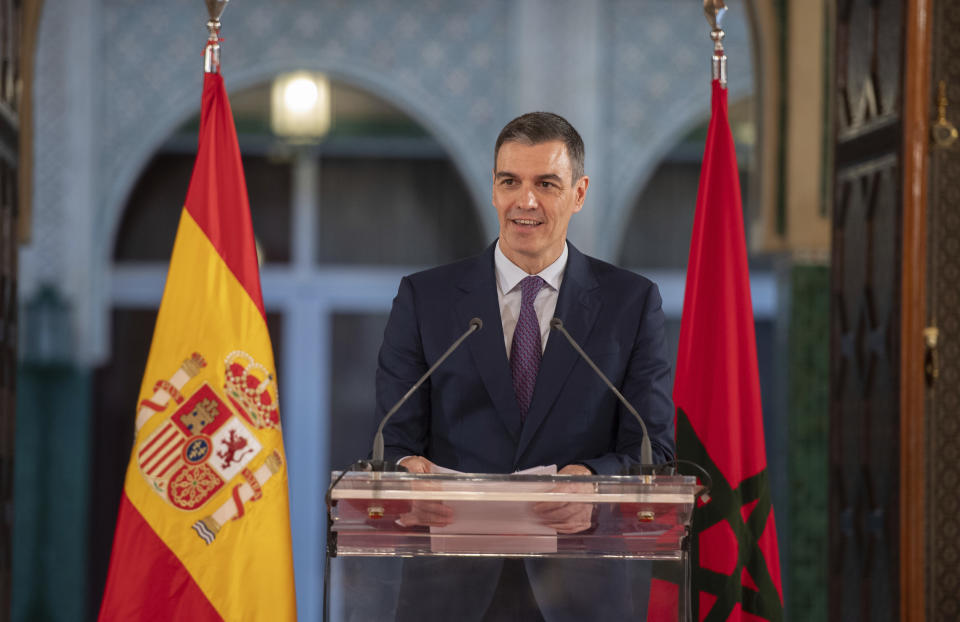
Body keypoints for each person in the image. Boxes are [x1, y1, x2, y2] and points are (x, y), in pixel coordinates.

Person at [374, 112, 675, 621]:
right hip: (449, 593)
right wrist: (406, 480)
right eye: (510, 181)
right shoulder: (426, 298)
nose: (525, 201)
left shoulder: (631, 303)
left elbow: (654, 451)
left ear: (579, 194)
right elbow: (391, 442)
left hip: (580, 589)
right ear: (492, 189)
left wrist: (592, 483)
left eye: (546, 184)